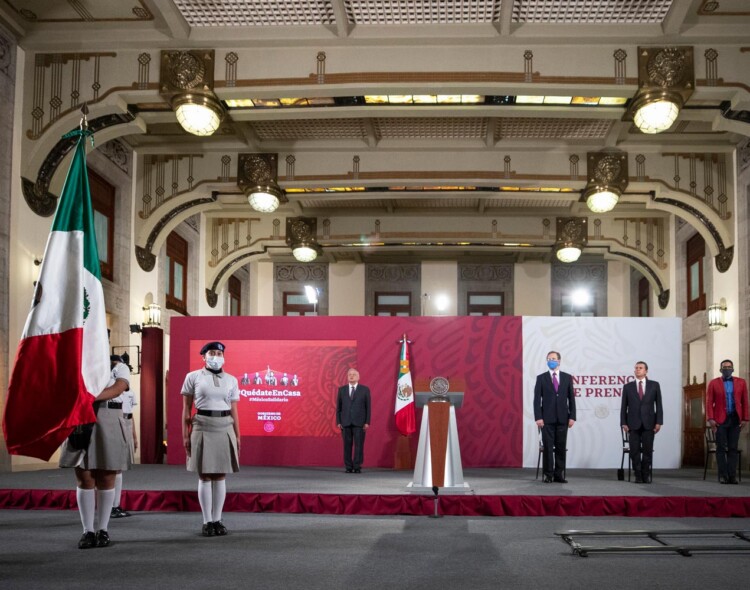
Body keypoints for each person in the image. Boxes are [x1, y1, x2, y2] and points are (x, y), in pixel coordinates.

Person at [58, 356, 131, 549]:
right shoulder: (76, 363)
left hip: (108, 417)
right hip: (80, 417)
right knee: (85, 477)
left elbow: (119, 387)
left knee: (107, 476)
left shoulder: (118, 366)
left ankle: (103, 529)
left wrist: (87, 396)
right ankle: (87, 530)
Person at [181, 341, 240, 537]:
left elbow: (234, 409)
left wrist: (238, 435)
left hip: (224, 425)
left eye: (219, 353)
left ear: (223, 357)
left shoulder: (231, 379)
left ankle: (218, 519)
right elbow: (186, 408)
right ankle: (207, 521)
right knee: (205, 474)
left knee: (221, 474)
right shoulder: (193, 377)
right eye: (211, 353)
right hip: (202, 424)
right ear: (203, 357)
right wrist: (185, 434)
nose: (216, 356)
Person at [533, 351, 576, 483]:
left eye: (553, 358)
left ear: (559, 361)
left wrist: (572, 416)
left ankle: (559, 474)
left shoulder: (567, 377)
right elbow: (536, 400)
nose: (551, 360)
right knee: (548, 447)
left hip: (563, 419)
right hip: (546, 420)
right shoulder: (541, 378)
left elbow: (571, 399)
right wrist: (538, 417)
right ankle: (548, 474)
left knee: (561, 447)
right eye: (548, 358)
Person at [706, 360, 749, 484]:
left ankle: (732, 476)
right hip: (720, 421)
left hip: (735, 419)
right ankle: (723, 475)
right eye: (724, 367)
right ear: (721, 369)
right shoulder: (714, 383)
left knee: (733, 449)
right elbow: (709, 402)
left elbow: (745, 401)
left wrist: (746, 418)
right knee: (721, 448)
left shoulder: (741, 382)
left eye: (729, 367)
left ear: (733, 368)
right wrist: (711, 419)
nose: (727, 369)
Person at [620, 361, 663, 484]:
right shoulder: (628, 387)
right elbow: (624, 407)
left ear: (646, 371)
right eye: (636, 368)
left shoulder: (654, 385)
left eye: (640, 368)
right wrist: (623, 422)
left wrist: (659, 422)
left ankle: (646, 474)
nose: (637, 370)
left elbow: (659, 405)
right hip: (632, 424)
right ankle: (637, 475)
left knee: (648, 451)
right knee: (634, 451)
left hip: (649, 423)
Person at [109, 355, 137, 518]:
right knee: (112, 467)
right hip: (112, 419)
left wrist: (134, 436)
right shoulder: (107, 382)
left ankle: (115, 505)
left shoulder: (130, 392)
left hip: (125, 421)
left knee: (119, 466)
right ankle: (113, 505)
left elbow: (131, 415)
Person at [336, 368, 371, 473]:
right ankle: (348, 466)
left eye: (354, 374)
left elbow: (368, 407)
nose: (351, 376)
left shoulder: (365, 390)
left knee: (359, 445)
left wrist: (367, 422)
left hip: (360, 422)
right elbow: (339, 408)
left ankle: (357, 466)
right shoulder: (342, 390)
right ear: (347, 377)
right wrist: (338, 421)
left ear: (358, 377)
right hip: (345, 422)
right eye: (349, 375)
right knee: (347, 445)